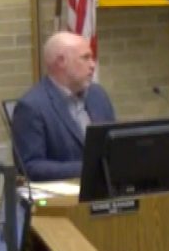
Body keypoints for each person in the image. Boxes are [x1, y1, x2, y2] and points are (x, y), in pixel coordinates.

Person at [12, 32, 117, 180]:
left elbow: (114, 145)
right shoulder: (32, 107)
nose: (93, 65)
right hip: (64, 196)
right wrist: (89, 168)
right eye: (85, 58)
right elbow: (30, 166)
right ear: (61, 61)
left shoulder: (97, 95)